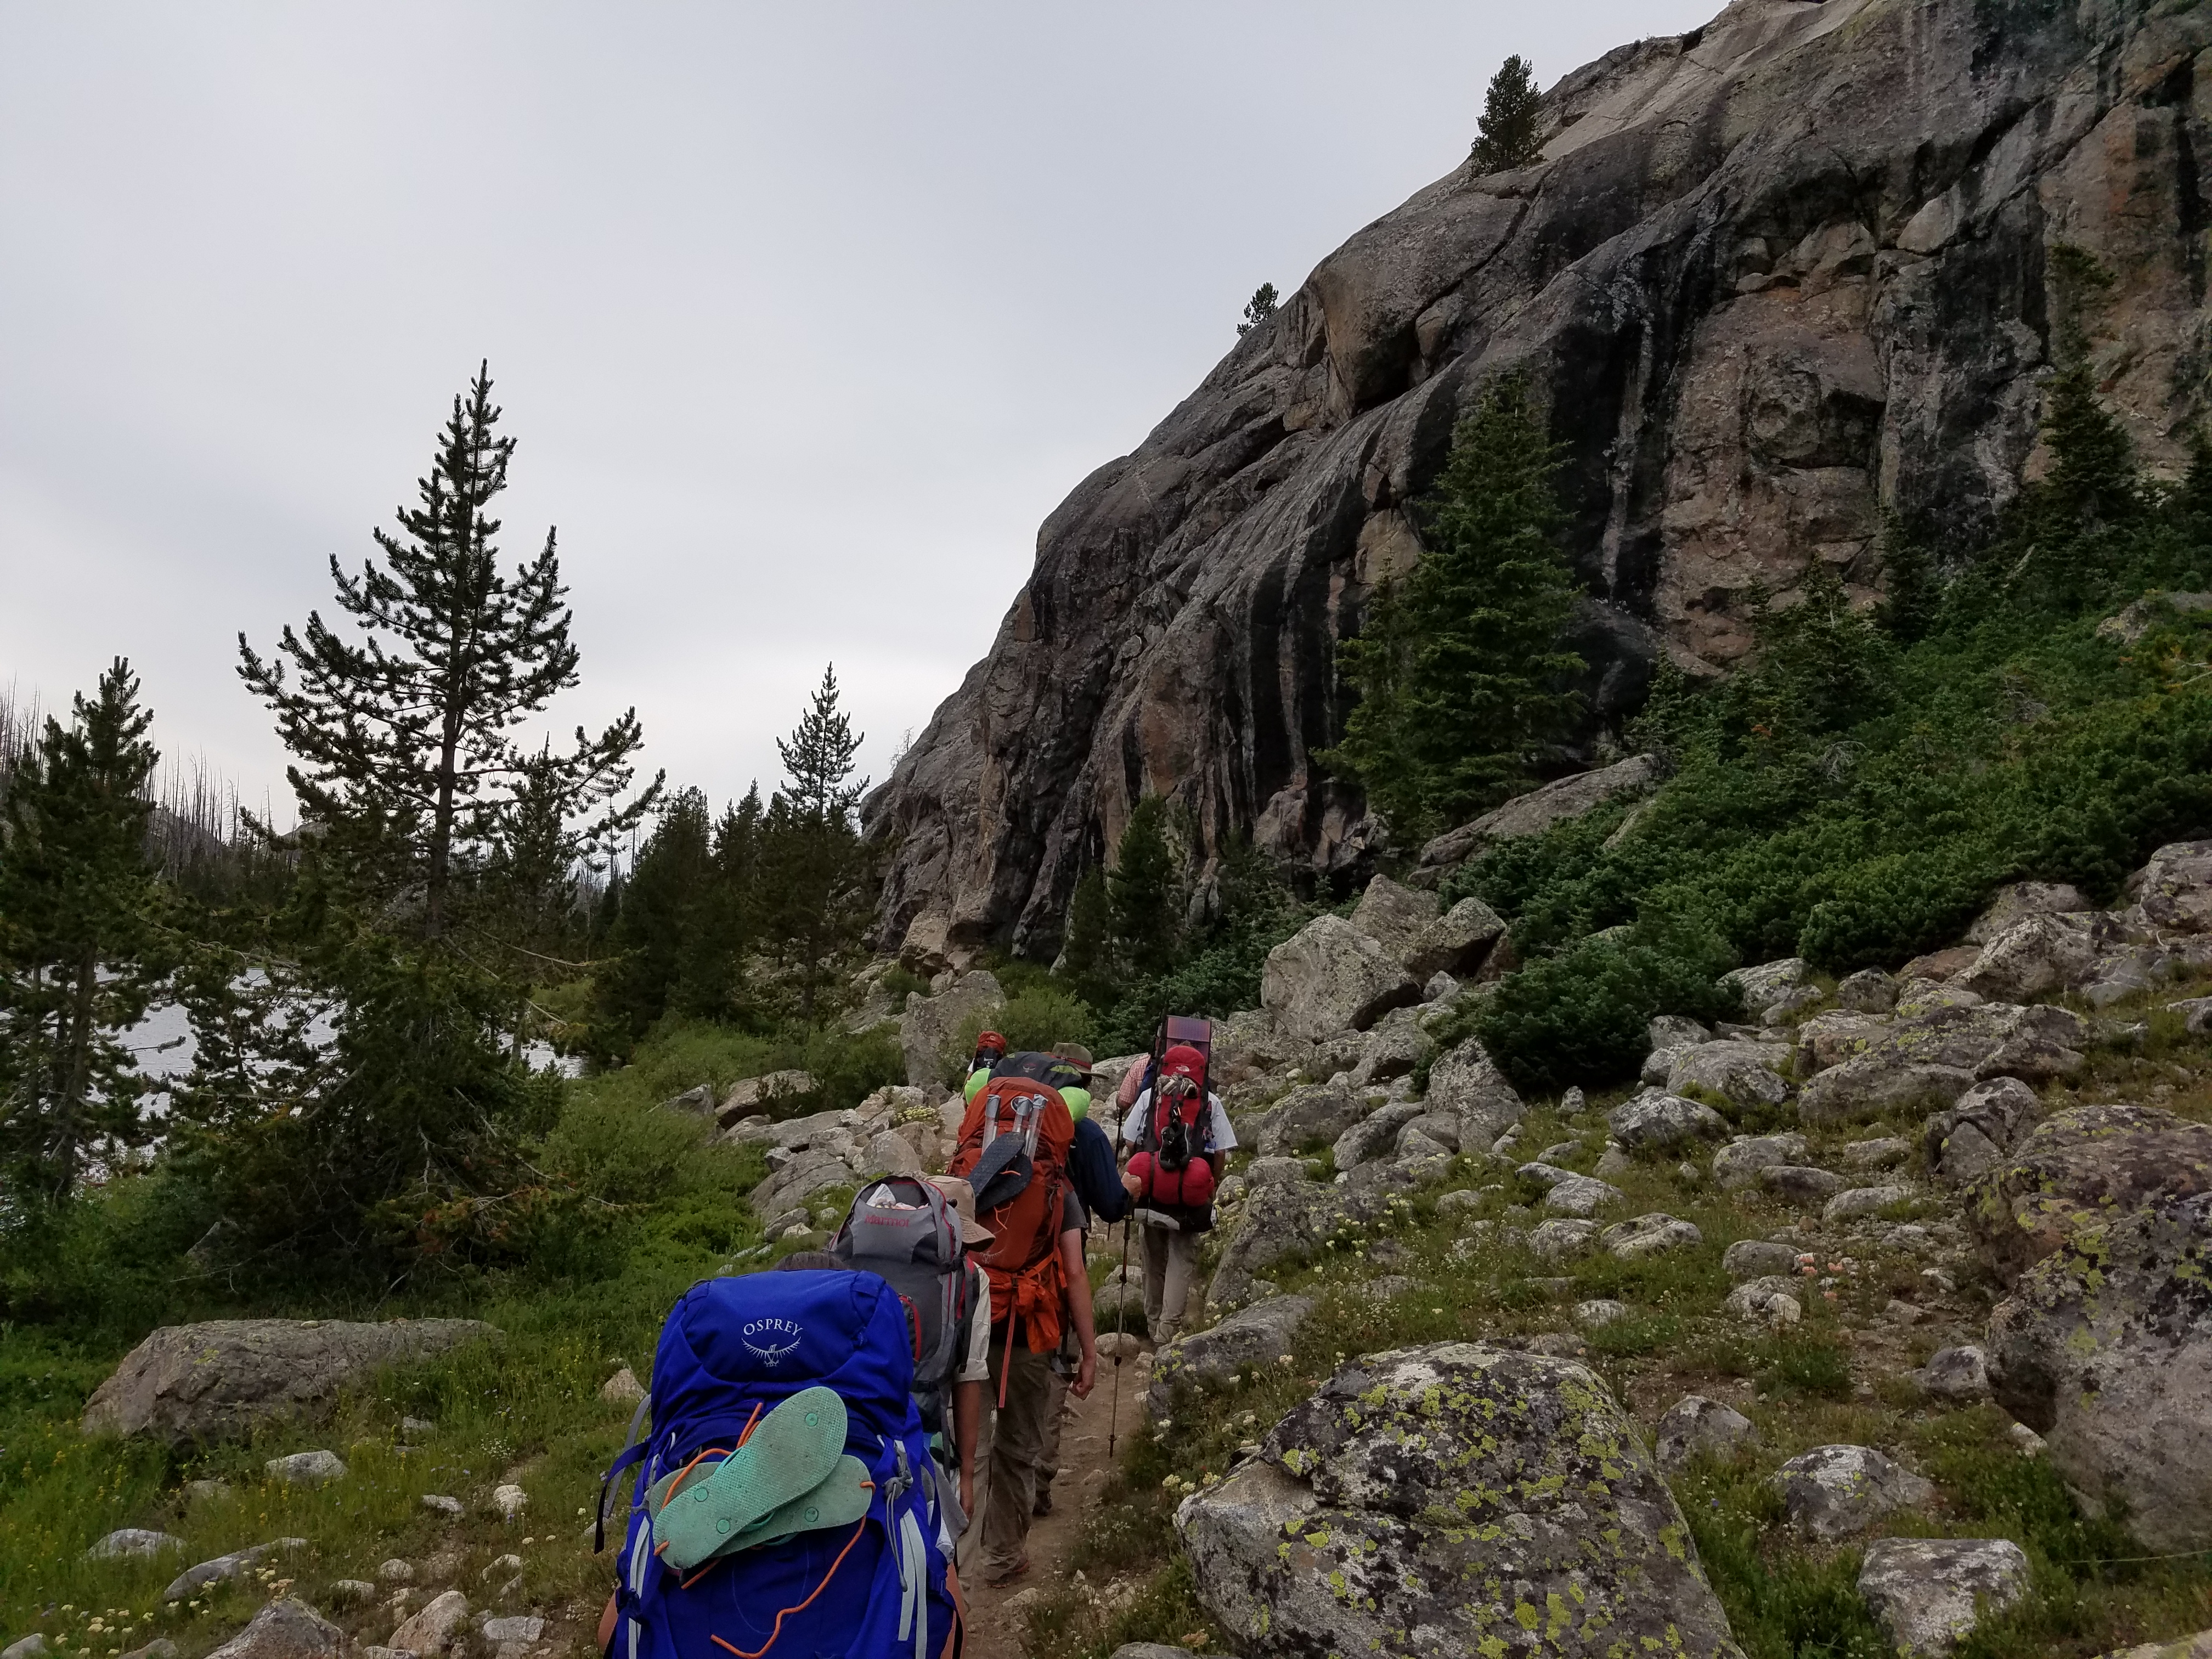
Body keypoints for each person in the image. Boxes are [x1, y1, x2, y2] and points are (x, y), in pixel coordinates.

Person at [973, 1165, 1097, 1586]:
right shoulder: (1058, 1187)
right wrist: (1090, 1351)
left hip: (970, 1328)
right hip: (1028, 1332)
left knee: (968, 1451)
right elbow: (1075, 1272)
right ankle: (1003, 1556)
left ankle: (955, 1561)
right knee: (1018, 1444)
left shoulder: (970, 1172)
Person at [1032, 1043, 1128, 1516]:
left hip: (999, 1275)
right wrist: (1133, 1188)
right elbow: (1111, 1205)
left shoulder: (1002, 1129)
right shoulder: (1086, 1134)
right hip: (1054, 1276)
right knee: (1053, 1369)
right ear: (1085, 1086)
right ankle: (1037, 1484)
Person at [1119, 1042, 1235, 1347]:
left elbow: (1130, 1143)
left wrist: (1152, 1166)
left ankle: (1152, 1320)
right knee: (1181, 1261)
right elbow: (1221, 1151)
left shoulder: (1149, 1098)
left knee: (1152, 1259)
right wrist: (1210, 1181)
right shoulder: (1211, 1103)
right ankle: (1166, 1333)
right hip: (1190, 1196)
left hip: (1152, 1191)